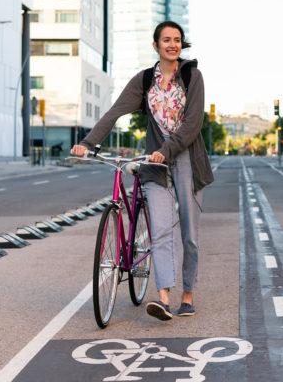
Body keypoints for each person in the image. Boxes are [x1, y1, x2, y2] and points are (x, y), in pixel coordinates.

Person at [71, 20, 213, 321]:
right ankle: (162, 297)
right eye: (166, 40)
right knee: (160, 230)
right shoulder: (145, 80)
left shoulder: (192, 76)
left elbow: (193, 124)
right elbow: (115, 111)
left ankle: (187, 295)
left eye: (177, 39)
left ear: (181, 44)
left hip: (187, 158)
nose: (172, 44)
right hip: (154, 164)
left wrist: (167, 150)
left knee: (189, 234)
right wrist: (87, 142)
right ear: (156, 45)